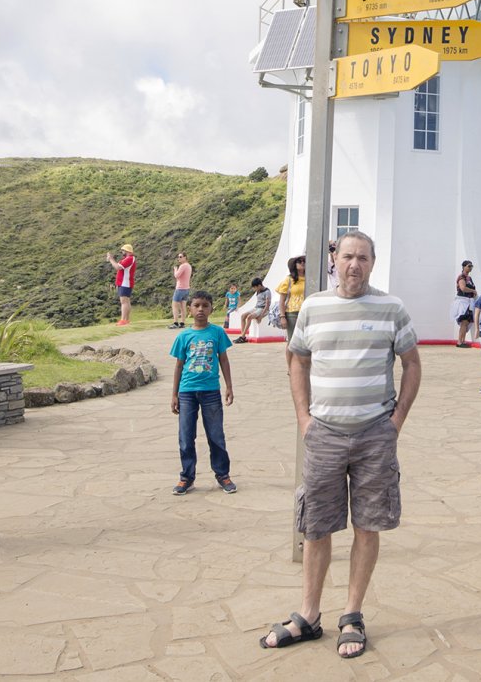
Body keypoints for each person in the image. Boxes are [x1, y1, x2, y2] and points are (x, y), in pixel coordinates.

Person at [259, 231, 421, 659]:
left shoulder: (392, 308)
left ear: (372, 263)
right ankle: (309, 615)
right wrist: (303, 418)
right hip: (324, 434)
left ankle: (352, 614)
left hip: (374, 435)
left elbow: (412, 364)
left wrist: (396, 421)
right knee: (316, 526)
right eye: (348, 256)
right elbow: (297, 360)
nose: (355, 265)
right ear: (335, 259)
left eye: (363, 258)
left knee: (367, 525)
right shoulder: (313, 306)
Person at [170, 290, 236, 496]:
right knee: (186, 436)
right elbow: (179, 366)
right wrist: (174, 395)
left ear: (211, 309)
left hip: (211, 393)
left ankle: (222, 474)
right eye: (196, 305)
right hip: (187, 392)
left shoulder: (217, 333)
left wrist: (229, 386)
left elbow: (223, 360)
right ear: (189, 309)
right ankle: (186, 477)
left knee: (216, 435)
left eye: (205, 306)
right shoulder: (184, 336)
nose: (200, 309)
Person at [276, 255, 307, 365]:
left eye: (304, 261)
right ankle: (290, 367)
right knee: (292, 341)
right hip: (292, 312)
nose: (302, 263)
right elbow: (282, 300)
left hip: (307, 312)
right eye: (299, 261)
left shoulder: (310, 278)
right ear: (294, 264)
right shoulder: (289, 280)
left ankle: (303, 365)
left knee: (306, 340)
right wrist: (282, 316)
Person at [106, 242, 135, 325]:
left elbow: (117, 267)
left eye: (123, 251)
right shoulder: (128, 259)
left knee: (124, 302)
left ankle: (123, 320)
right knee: (126, 301)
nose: (122, 252)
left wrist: (111, 259)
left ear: (127, 251)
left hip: (125, 283)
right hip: (125, 283)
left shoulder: (129, 259)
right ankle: (126, 319)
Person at [235, 277, 272, 342]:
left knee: (249, 317)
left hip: (263, 308)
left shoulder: (267, 292)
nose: (254, 289)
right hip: (256, 307)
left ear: (259, 285)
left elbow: (267, 305)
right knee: (243, 316)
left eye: (255, 287)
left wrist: (261, 316)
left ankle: (242, 337)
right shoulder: (258, 291)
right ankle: (243, 336)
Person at [451, 260, 476, 347]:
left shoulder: (469, 278)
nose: (470, 268)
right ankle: (459, 341)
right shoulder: (461, 277)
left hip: (469, 302)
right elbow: (463, 288)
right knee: (464, 322)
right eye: (469, 266)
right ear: (464, 267)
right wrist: (473, 290)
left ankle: (463, 341)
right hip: (462, 302)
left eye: (471, 266)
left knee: (466, 322)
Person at [171, 250, 192, 329]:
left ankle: (175, 322)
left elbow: (176, 275)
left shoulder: (183, 266)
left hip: (180, 288)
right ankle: (182, 322)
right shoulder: (189, 266)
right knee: (183, 306)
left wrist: (175, 269)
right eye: (178, 257)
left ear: (185, 257)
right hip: (186, 288)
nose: (179, 259)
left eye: (180, 257)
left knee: (175, 305)